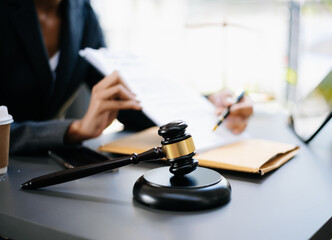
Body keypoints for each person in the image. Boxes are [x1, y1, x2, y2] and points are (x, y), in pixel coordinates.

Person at [0, 0, 253, 155]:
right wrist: (75, 129)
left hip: (41, 167)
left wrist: (208, 105)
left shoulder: (81, 12)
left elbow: (126, 103)